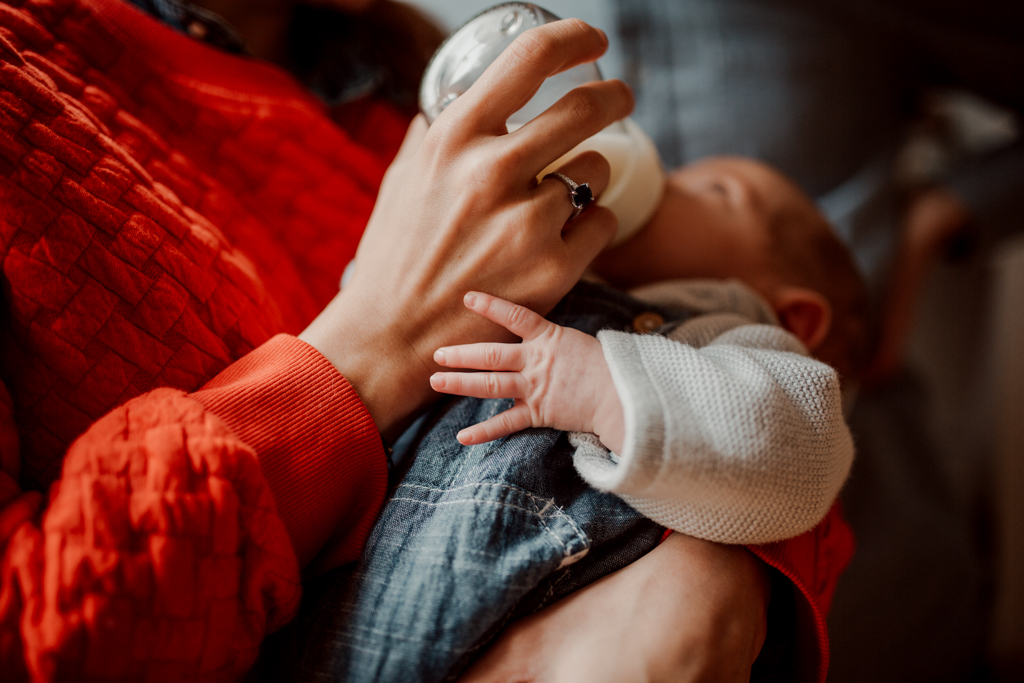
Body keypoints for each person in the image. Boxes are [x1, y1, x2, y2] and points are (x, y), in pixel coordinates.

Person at [0, 1, 846, 682]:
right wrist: (373, 338)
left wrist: (704, 577)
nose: (676, 176)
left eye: (726, 189)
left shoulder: (398, 99)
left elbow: (796, 446)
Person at [281, 156, 863, 682]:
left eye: (715, 189)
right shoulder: (531, 281)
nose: (662, 177)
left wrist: (593, 385)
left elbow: (794, 456)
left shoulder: (739, 344)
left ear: (796, 316)